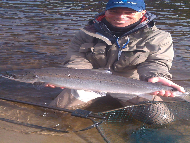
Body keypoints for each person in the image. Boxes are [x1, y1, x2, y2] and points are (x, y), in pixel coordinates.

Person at [49, 0, 185, 124]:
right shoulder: (86, 33)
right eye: (114, 11)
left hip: (131, 85)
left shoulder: (159, 37)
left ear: (142, 13)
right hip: (89, 81)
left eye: (129, 12)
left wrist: (156, 76)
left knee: (160, 119)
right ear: (106, 11)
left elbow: (157, 62)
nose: (120, 17)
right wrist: (67, 77)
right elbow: (76, 58)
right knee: (57, 111)